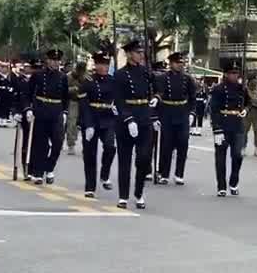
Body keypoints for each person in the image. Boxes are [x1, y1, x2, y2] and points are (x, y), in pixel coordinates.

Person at [114, 40, 155, 209]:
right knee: (124, 160)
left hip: (144, 117)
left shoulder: (146, 72)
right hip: (126, 120)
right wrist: (128, 119)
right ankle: (123, 195)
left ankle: (139, 192)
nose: (140, 55)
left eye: (141, 52)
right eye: (137, 52)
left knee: (144, 157)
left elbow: (157, 87)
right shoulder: (120, 75)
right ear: (130, 54)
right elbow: (118, 100)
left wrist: (156, 98)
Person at [23, 48, 69, 185]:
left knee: (58, 142)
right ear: (47, 60)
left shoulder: (63, 77)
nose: (55, 63)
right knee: (41, 144)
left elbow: (66, 97)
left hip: (56, 111)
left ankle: (49, 167)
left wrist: (65, 112)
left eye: (57, 60)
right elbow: (28, 94)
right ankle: (38, 173)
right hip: (41, 109)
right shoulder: (38, 75)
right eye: (53, 60)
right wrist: (28, 109)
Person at [153, 52, 196, 185]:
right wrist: (156, 116)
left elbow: (192, 97)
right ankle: (164, 173)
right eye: (177, 63)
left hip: (182, 112)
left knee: (183, 143)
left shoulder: (188, 79)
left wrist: (192, 113)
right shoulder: (162, 78)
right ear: (171, 64)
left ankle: (179, 173)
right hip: (167, 112)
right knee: (166, 145)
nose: (180, 65)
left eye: (181, 63)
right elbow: (158, 95)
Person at [78, 52, 117, 197]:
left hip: (108, 119)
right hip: (91, 118)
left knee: (110, 147)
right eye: (101, 64)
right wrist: (88, 124)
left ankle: (105, 173)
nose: (104, 67)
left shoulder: (113, 81)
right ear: (96, 65)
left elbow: (118, 98)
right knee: (90, 153)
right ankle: (90, 186)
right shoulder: (87, 80)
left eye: (106, 64)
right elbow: (83, 104)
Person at [209, 62, 249, 196]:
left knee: (238, 154)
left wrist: (245, 110)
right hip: (223, 123)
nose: (234, 75)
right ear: (226, 74)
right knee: (220, 157)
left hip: (237, 124)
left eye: (236, 73)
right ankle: (221, 185)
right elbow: (214, 110)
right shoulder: (218, 89)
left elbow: (248, 102)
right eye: (232, 73)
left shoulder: (242, 88)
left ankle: (234, 180)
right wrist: (216, 128)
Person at [64, 61, 87, 155]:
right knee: (71, 123)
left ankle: (86, 145)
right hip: (73, 101)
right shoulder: (69, 76)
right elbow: (64, 89)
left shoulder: (87, 77)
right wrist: (74, 89)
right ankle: (71, 144)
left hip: (84, 102)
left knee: (85, 124)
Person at [244, 76, 257, 158]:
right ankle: (243, 148)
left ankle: (256, 149)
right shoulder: (245, 90)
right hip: (248, 111)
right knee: (245, 130)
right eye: (253, 80)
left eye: (256, 80)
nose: (255, 82)